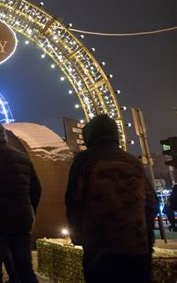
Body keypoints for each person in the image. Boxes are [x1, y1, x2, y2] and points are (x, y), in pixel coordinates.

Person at [65, 114, 158, 283]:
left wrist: (78, 236)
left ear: (90, 135)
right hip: (136, 248)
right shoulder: (134, 163)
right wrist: (146, 237)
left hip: (100, 247)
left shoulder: (84, 161)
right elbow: (151, 202)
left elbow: (74, 201)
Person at [0, 122, 41, 283]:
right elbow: (37, 188)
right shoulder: (22, 157)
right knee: (24, 269)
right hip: (21, 222)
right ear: (4, 135)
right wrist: (30, 210)